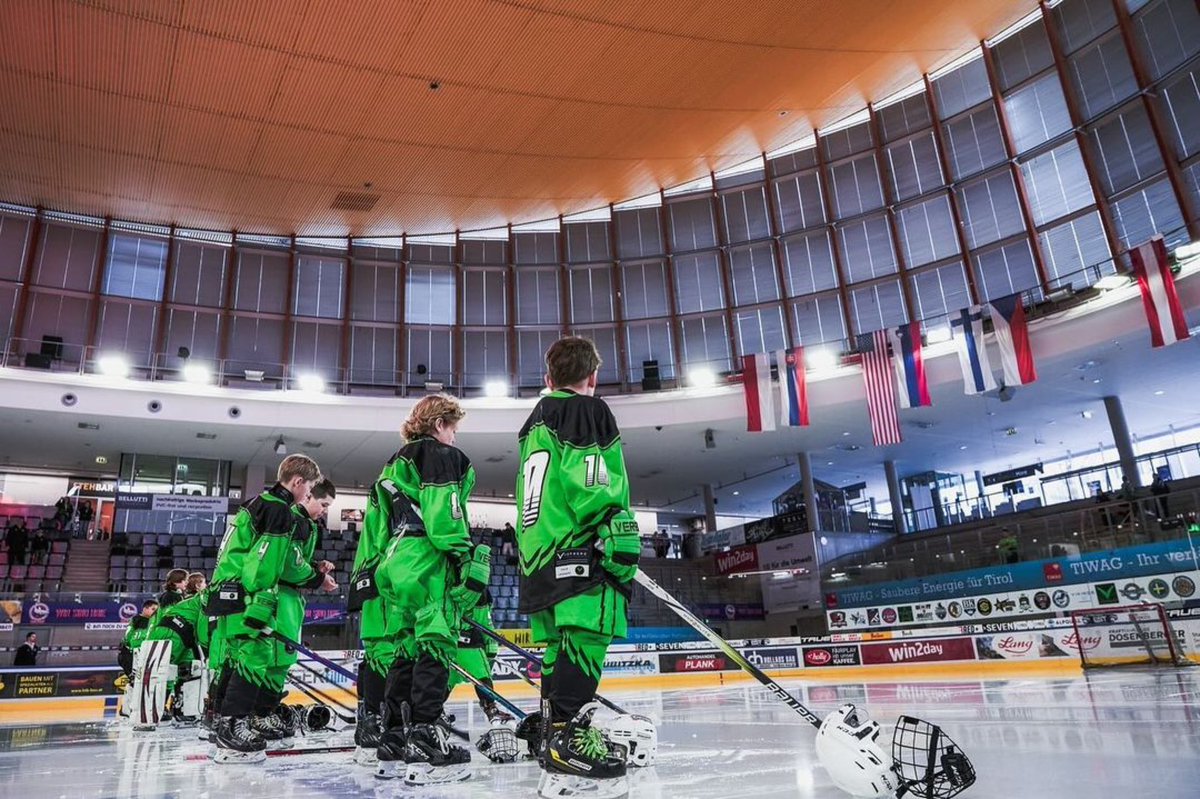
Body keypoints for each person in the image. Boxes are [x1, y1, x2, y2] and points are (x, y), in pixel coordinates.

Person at [514, 336, 641, 798]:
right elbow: (590, 475)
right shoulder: (587, 410)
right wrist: (613, 521)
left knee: (558, 648)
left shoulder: (534, 423)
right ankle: (569, 739)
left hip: (539, 553)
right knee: (585, 639)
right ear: (592, 378)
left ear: (548, 380)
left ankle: (553, 735)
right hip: (579, 550)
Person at [373, 394, 483, 784]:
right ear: (439, 424)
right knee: (435, 642)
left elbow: (377, 523)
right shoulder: (441, 455)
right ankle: (424, 739)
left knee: (405, 648)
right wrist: (466, 558)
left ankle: (393, 740)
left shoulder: (394, 462)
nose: (454, 435)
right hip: (426, 557)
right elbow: (444, 517)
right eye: (452, 426)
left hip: (394, 558)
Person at [206, 454, 322, 764]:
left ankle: (223, 722)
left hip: (226, 589)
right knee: (254, 656)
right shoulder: (278, 510)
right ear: (297, 482)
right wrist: (262, 600)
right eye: (308, 487)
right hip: (245, 592)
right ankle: (234, 726)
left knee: (236, 656)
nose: (308, 493)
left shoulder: (256, 502)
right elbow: (262, 565)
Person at [119, 599, 160, 678]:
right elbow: (127, 637)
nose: (155, 612)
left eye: (156, 610)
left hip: (146, 656)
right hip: (132, 655)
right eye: (153, 609)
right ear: (145, 608)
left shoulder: (155, 622)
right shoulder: (135, 620)